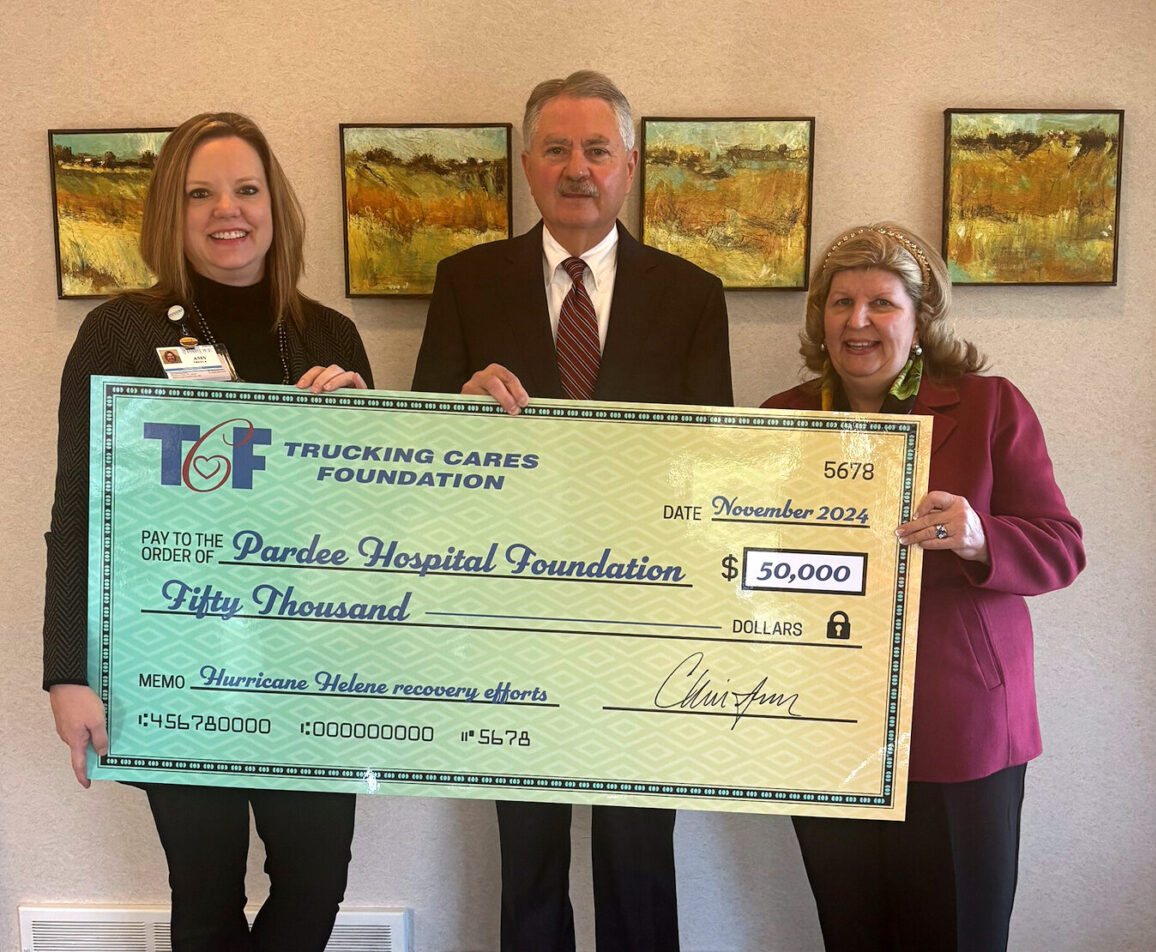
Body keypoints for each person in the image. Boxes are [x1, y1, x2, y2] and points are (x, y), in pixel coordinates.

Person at [412, 71, 732, 952]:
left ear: (631, 166)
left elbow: (709, 469)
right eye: (557, 149)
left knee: (639, 857)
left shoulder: (693, 293)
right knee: (530, 859)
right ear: (526, 165)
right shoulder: (467, 282)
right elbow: (420, 458)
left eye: (598, 149)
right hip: (515, 615)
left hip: (644, 621)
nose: (578, 168)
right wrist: (459, 403)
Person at [44, 112, 373, 952]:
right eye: (201, 193)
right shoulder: (121, 331)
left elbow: (362, 520)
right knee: (203, 893)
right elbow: (80, 508)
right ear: (172, 212)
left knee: (317, 881)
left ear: (275, 205)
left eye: (246, 188)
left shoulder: (331, 335)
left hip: (308, 667)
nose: (227, 209)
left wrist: (360, 429)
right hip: (176, 660)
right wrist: (68, 673)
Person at [762, 223, 1085, 952]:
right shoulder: (779, 420)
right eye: (840, 302)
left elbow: (1063, 548)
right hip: (824, 726)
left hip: (960, 730)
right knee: (852, 933)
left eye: (881, 303)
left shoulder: (990, 405)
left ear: (921, 319)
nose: (857, 321)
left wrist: (979, 536)